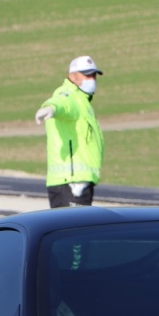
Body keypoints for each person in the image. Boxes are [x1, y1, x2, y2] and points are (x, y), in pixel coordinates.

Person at [35, 56, 105, 208]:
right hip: (71, 183)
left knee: (76, 230)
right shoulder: (69, 94)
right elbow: (62, 102)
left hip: (78, 181)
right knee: (72, 229)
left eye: (94, 75)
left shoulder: (83, 100)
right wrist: (51, 108)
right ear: (72, 76)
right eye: (87, 75)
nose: (91, 79)